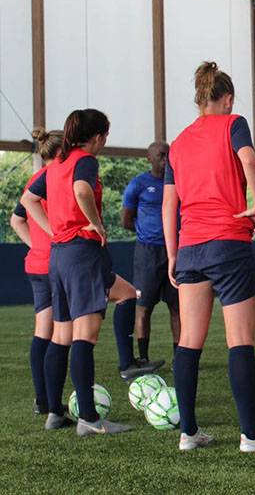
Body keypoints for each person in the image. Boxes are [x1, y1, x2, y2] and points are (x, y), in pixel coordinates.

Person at [163, 61, 255, 452]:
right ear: (227, 98)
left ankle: (188, 433)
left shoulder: (178, 142)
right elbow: (250, 161)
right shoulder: (234, 122)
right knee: (240, 340)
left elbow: (170, 204)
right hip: (228, 242)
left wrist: (172, 255)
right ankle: (250, 435)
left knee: (189, 341)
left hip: (190, 248)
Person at [21, 109, 140, 435]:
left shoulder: (56, 164)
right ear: (98, 136)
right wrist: (97, 224)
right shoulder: (84, 161)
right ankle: (89, 418)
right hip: (82, 254)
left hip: (58, 257)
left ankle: (54, 412)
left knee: (60, 337)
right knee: (84, 337)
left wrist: (53, 231)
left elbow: (29, 200)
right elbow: (83, 192)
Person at [10, 128, 63, 415]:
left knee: (43, 329)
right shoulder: (56, 177)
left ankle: (43, 399)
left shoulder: (34, 180)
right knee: (63, 331)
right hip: (56, 262)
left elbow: (15, 220)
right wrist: (54, 238)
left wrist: (37, 245)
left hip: (37, 262)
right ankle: (52, 403)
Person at [122, 141, 178, 366]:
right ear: (149, 158)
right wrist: (149, 233)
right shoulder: (138, 184)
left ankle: (179, 357)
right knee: (144, 306)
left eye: (168, 156)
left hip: (175, 250)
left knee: (177, 307)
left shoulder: (178, 183)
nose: (165, 160)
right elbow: (125, 220)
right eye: (161, 156)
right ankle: (143, 356)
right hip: (147, 253)